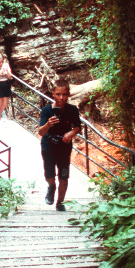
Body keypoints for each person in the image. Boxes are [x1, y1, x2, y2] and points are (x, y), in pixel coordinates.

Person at [38, 79, 82, 212]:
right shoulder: (46, 110)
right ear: (53, 94)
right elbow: (41, 132)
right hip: (48, 145)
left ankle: (60, 202)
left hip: (64, 145)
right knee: (49, 174)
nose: (61, 98)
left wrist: (71, 133)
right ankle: (51, 187)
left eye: (64, 94)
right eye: (58, 94)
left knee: (64, 174)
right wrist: (48, 124)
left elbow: (78, 127)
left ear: (68, 94)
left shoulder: (72, 110)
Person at [0, 53, 13, 122]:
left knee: (6, 102)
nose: (1, 63)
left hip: (6, 84)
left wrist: (7, 71)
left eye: (2, 62)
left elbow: (10, 77)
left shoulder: (6, 65)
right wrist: (0, 71)